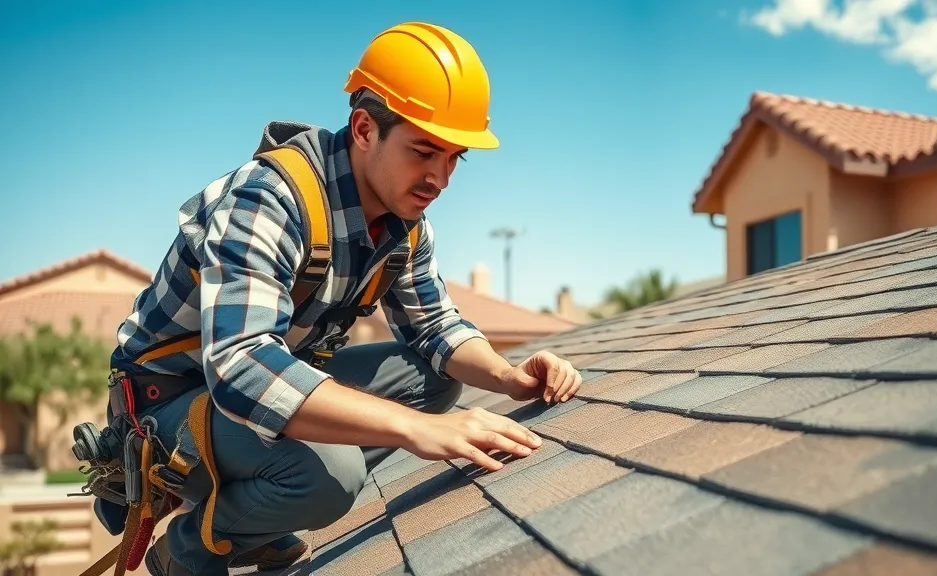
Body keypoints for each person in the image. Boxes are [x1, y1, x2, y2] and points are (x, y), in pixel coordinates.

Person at [99, 21, 582, 576]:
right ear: (363, 129)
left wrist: (510, 377)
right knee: (333, 475)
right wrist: (417, 429)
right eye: (424, 151)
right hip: (166, 408)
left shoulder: (403, 226)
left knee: (435, 374)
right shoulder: (270, 198)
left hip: (235, 403)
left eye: (454, 158)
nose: (440, 178)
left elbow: (437, 328)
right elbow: (242, 367)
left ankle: (250, 521)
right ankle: (187, 551)